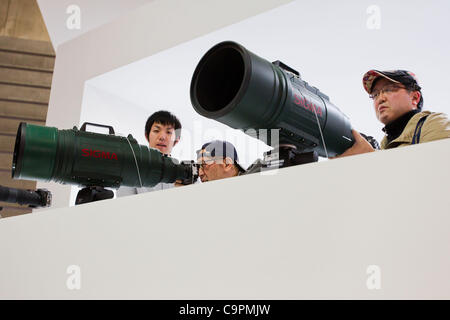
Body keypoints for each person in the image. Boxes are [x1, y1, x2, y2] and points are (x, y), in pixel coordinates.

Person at [336, 69, 450, 157]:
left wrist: (371, 160)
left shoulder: (433, 123)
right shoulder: (384, 145)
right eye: (375, 94)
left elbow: (437, 173)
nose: (380, 98)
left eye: (388, 89)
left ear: (415, 97)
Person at [116, 110, 182, 196]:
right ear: (147, 135)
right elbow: (124, 204)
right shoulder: (131, 169)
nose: (162, 137)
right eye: (156, 130)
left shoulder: (185, 174)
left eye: (169, 132)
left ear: (176, 140)